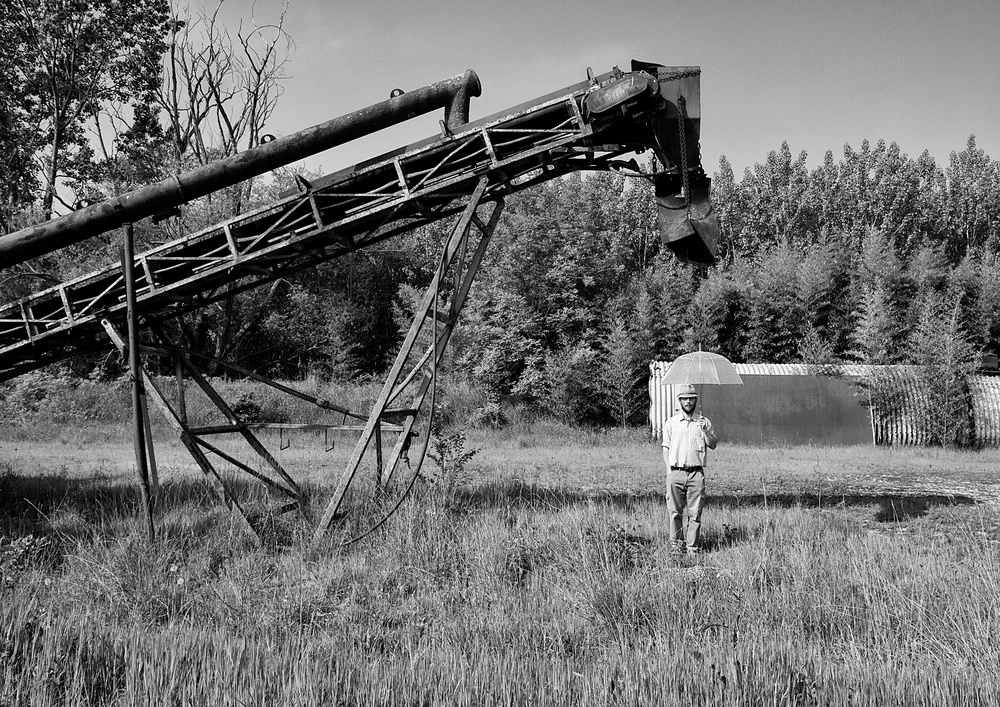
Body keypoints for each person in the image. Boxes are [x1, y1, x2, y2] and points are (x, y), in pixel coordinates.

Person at [662, 384, 718, 554]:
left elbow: (713, 444)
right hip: (675, 473)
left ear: (695, 400)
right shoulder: (671, 423)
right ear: (679, 401)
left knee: (695, 514)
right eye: (684, 398)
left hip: (696, 474)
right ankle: (677, 548)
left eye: (691, 398)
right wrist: (669, 473)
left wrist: (705, 431)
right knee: (674, 513)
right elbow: (666, 447)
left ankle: (692, 549)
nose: (688, 401)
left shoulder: (704, 422)